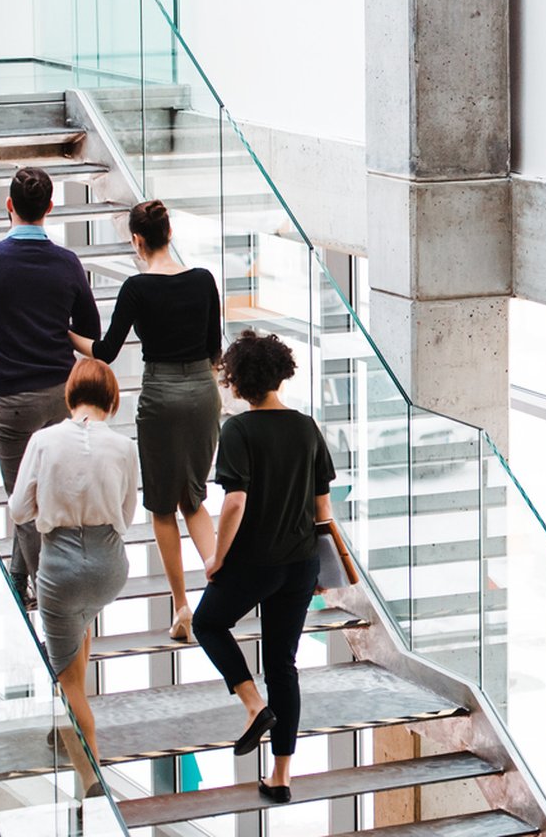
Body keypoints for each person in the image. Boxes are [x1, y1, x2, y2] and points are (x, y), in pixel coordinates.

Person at [0, 167, 101, 608]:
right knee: (46, 491)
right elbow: (90, 330)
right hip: (60, 395)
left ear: (9, 206)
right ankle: (19, 580)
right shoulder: (67, 263)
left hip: (11, 399)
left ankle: (47, 594)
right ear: (49, 209)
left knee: (24, 501)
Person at [193, 329, 335, 804]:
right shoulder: (307, 427)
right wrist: (322, 573)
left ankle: (254, 707)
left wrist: (216, 558)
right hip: (300, 566)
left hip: (255, 562)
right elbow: (324, 512)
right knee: (283, 665)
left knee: (207, 623)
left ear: (238, 381)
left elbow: (234, 503)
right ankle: (281, 777)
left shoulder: (238, 430)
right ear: (279, 373)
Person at [69, 199, 221, 643]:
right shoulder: (203, 280)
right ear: (169, 233)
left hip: (160, 396)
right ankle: (218, 584)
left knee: (162, 506)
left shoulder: (136, 289)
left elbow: (106, 351)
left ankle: (180, 607)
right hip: (203, 393)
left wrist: (64, 332)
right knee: (194, 498)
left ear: (138, 240)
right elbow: (214, 348)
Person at [9, 359, 138, 792]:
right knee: (80, 628)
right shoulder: (123, 447)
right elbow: (126, 515)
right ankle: (68, 735)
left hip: (60, 566)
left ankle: (92, 779)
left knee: (69, 684)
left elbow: (18, 511)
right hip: (108, 566)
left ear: (70, 396)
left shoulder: (44, 441)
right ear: (112, 399)